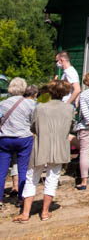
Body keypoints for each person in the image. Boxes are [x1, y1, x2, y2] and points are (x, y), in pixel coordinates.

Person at [12, 81, 74, 223]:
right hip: (59, 146)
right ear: (65, 92)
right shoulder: (69, 108)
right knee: (52, 178)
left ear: (49, 91)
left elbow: (33, 127)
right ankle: (45, 212)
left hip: (41, 145)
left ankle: (25, 214)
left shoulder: (39, 107)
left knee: (31, 178)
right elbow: (71, 127)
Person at [0, 78, 35, 206]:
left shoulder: (2, 104)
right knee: (23, 169)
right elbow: (33, 122)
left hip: (5, 138)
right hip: (23, 138)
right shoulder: (30, 104)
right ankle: (22, 198)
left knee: (2, 171)